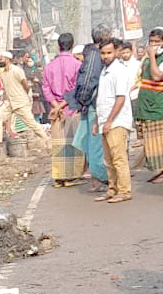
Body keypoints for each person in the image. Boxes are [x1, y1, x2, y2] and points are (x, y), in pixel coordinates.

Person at [68, 25, 114, 192]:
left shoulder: (92, 54)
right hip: (95, 105)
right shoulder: (95, 56)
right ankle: (100, 177)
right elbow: (87, 82)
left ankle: (98, 178)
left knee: (92, 141)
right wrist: (83, 101)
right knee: (96, 144)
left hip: (92, 104)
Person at [42, 33, 85, 186]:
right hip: (71, 109)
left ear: (58, 46)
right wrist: (63, 105)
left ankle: (59, 176)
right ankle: (71, 177)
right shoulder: (77, 65)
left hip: (56, 111)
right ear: (72, 45)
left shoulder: (49, 67)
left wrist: (55, 105)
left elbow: (45, 89)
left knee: (59, 144)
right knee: (74, 142)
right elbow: (76, 89)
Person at [95, 39, 134, 203]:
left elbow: (120, 98)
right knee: (108, 159)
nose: (105, 56)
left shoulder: (119, 70)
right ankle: (113, 188)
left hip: (117, 121)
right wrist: (98, 122)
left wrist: (110, 120)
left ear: (116, 51)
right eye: (103, 53)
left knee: (118, 158)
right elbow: (102, 99)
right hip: (105, 120)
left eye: (109, 52)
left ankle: (124, 190)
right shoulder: (105, 71)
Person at [0, 51, 49, 148]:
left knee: (31, 123)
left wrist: (24, 97)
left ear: (8, 60)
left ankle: (46, 140)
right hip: (9, 102)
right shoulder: (2, 73)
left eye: (2, 59)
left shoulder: (16, 70)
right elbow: (5, 88)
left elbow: (25, 85)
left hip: (20, 102)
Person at [136, 28, 163, 184]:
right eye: (151, 42)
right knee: (152, 143)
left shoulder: (155, 59)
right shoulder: (146, 59)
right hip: (146, 106)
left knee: (160, 142)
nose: (153, 45)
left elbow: (156, 75)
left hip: (158, 107)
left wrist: (152, 56)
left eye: (157, 42)